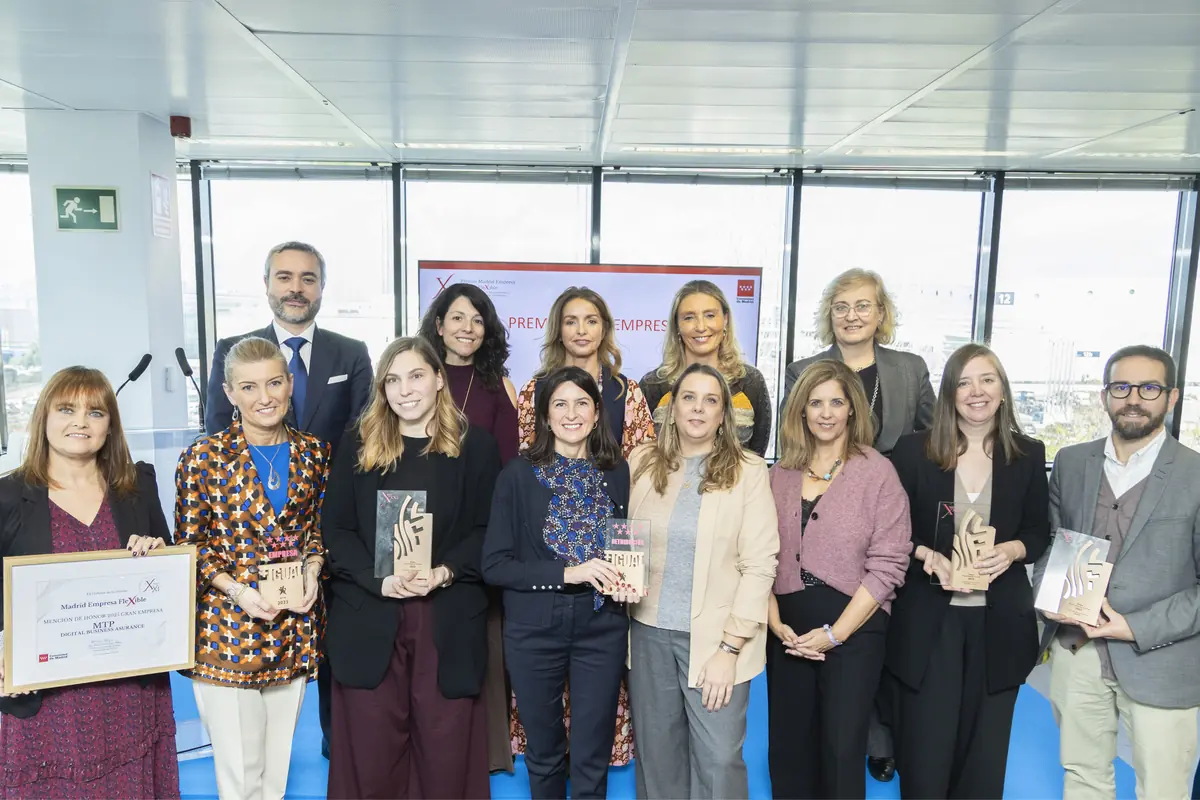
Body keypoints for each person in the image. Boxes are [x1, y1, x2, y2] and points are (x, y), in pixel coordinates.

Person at [204, 241, 372, 756]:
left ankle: (337, 746)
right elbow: (217, 436)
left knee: (329, 641)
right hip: (250, 538)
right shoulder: (232, 350)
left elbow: (364, 439)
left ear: (321, 287)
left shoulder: (351, 352)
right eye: (284, 277)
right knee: (257, 667)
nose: (296, 288)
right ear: (267, 284)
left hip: (329, 526)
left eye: (307, 278)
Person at [322, 337, 501, 798]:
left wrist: (446, 571)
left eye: (416, 376)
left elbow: (488, 530)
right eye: (392, 380)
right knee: (371, 755)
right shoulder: (358, 445)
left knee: (445, 755)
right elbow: (336, 530)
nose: (404, 390)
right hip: (370, 614)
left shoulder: (476, 448)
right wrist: (377, 579)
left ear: (439, 379)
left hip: (446, 616)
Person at [783, 269, 934, 782]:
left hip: (889, 520)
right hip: (821, 524)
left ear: (881, 313)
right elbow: (794, 446)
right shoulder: (804, 371)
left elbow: (935, 443)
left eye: (863, 305)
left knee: (879, 648)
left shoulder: (909, 370)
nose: (852, 315)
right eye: (841, 306)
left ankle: (879, 741)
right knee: (804, 726)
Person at [0, 367, 179, 799]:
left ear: (110, 425)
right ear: (44, 417)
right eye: (67, 409)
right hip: (46, 700)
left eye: (95, 412)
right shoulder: (7, 496)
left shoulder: (137, 486)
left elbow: (169, 578)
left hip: (129, 693)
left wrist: (158, 556)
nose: (80, 422)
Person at [1034, 345, 1200, 800]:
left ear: (1172, 397)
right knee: (1083, 779)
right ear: (1105, 395)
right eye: (1122, 387)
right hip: (1077, 652)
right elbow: (1052, 544)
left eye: (1149, 388)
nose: (1134, 399)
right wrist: (1050, 599)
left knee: (1163, 790)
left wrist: (1134, 627)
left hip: (1161, 661)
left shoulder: (1195, 474)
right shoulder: (1072, 461)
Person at [886, 343, 1049, 799]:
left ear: (1003, 389)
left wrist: (1013, 550)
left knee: (984, 756)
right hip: (929, 620)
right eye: (964, 382)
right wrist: (927, 555)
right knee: (925, 751)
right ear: (949, 393)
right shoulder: (913, 451)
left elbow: (1038, 532)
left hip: (999, 623)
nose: (977, 391)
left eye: (987, 380)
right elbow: (890, 530)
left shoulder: (1029, 454)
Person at [177, 336, 329, 800]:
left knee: (275, 773)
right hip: (227, 632)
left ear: (290, 384)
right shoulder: (203, 458)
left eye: (274, 383)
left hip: (292, 627)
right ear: (230, 393)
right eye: (249, 387)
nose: (264, 397)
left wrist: (313, 568)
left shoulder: (315, 453)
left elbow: (317, 530)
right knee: (242, 777)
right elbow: (190, 546)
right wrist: (238, 591)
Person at [514, 286, 653, 766]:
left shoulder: (626, 392)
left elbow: (639, 475)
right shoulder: (534, 390)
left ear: (605, 328)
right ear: (558, 329)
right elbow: (528, 470)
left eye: (591, 320)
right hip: (547, 567)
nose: (581, 330)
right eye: (570, 320)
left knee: (598, 701)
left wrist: (628, 564)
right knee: (545, 711)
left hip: (608, 573)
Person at [626, 363, 779, 799]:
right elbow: (625, 540)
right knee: (658, 759)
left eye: (710, 400)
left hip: (718, 639)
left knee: (718, 760)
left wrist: (729, 649)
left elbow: (760, 565)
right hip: (648, 634)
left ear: (723, 414)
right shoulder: (641, 461)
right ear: (671, 408)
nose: (698, 408)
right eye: (688, 398)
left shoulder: (748, 470)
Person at [483, 367, 631, 799]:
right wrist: (568, 573)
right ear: (545, 416)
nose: (572, 414)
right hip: (534, 628)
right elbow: (494, 566)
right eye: (560, 404)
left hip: (602, 626)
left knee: (592, 755)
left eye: (582, 403)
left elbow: (624, 543)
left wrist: (627, 577)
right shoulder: (517, 475)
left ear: (597, 412)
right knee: (545, 753)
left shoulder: (617, 471)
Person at [767, 359, 911, 799]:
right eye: (815, 403)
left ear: (852, 409)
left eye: (836, 402)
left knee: (840, 750)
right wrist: (775, 624)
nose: (826, 413)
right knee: (789, 750)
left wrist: (835, 634)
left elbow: (889, 563)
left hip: (854, 631)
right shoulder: (780, 474)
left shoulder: (878, 473)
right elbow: (757, 556)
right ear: (801, 410)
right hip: (787, 632)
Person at [418, 282, 519, 774]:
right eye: (458, 318)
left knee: (485, 634)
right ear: (439, 325)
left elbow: (510, 462)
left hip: (482, 528)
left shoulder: (498, 384)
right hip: (420, 528)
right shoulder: (417, 377)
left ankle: (488, 751)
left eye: (478, 320)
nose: (468, 328)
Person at [640, 280, 772, 457]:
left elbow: (756, 455)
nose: (701, 327)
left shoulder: (750, 382)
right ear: (677, 325)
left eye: (710, 315)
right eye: (689, 317)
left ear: (725, 320)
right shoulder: (653, 385)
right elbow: (643, 454)